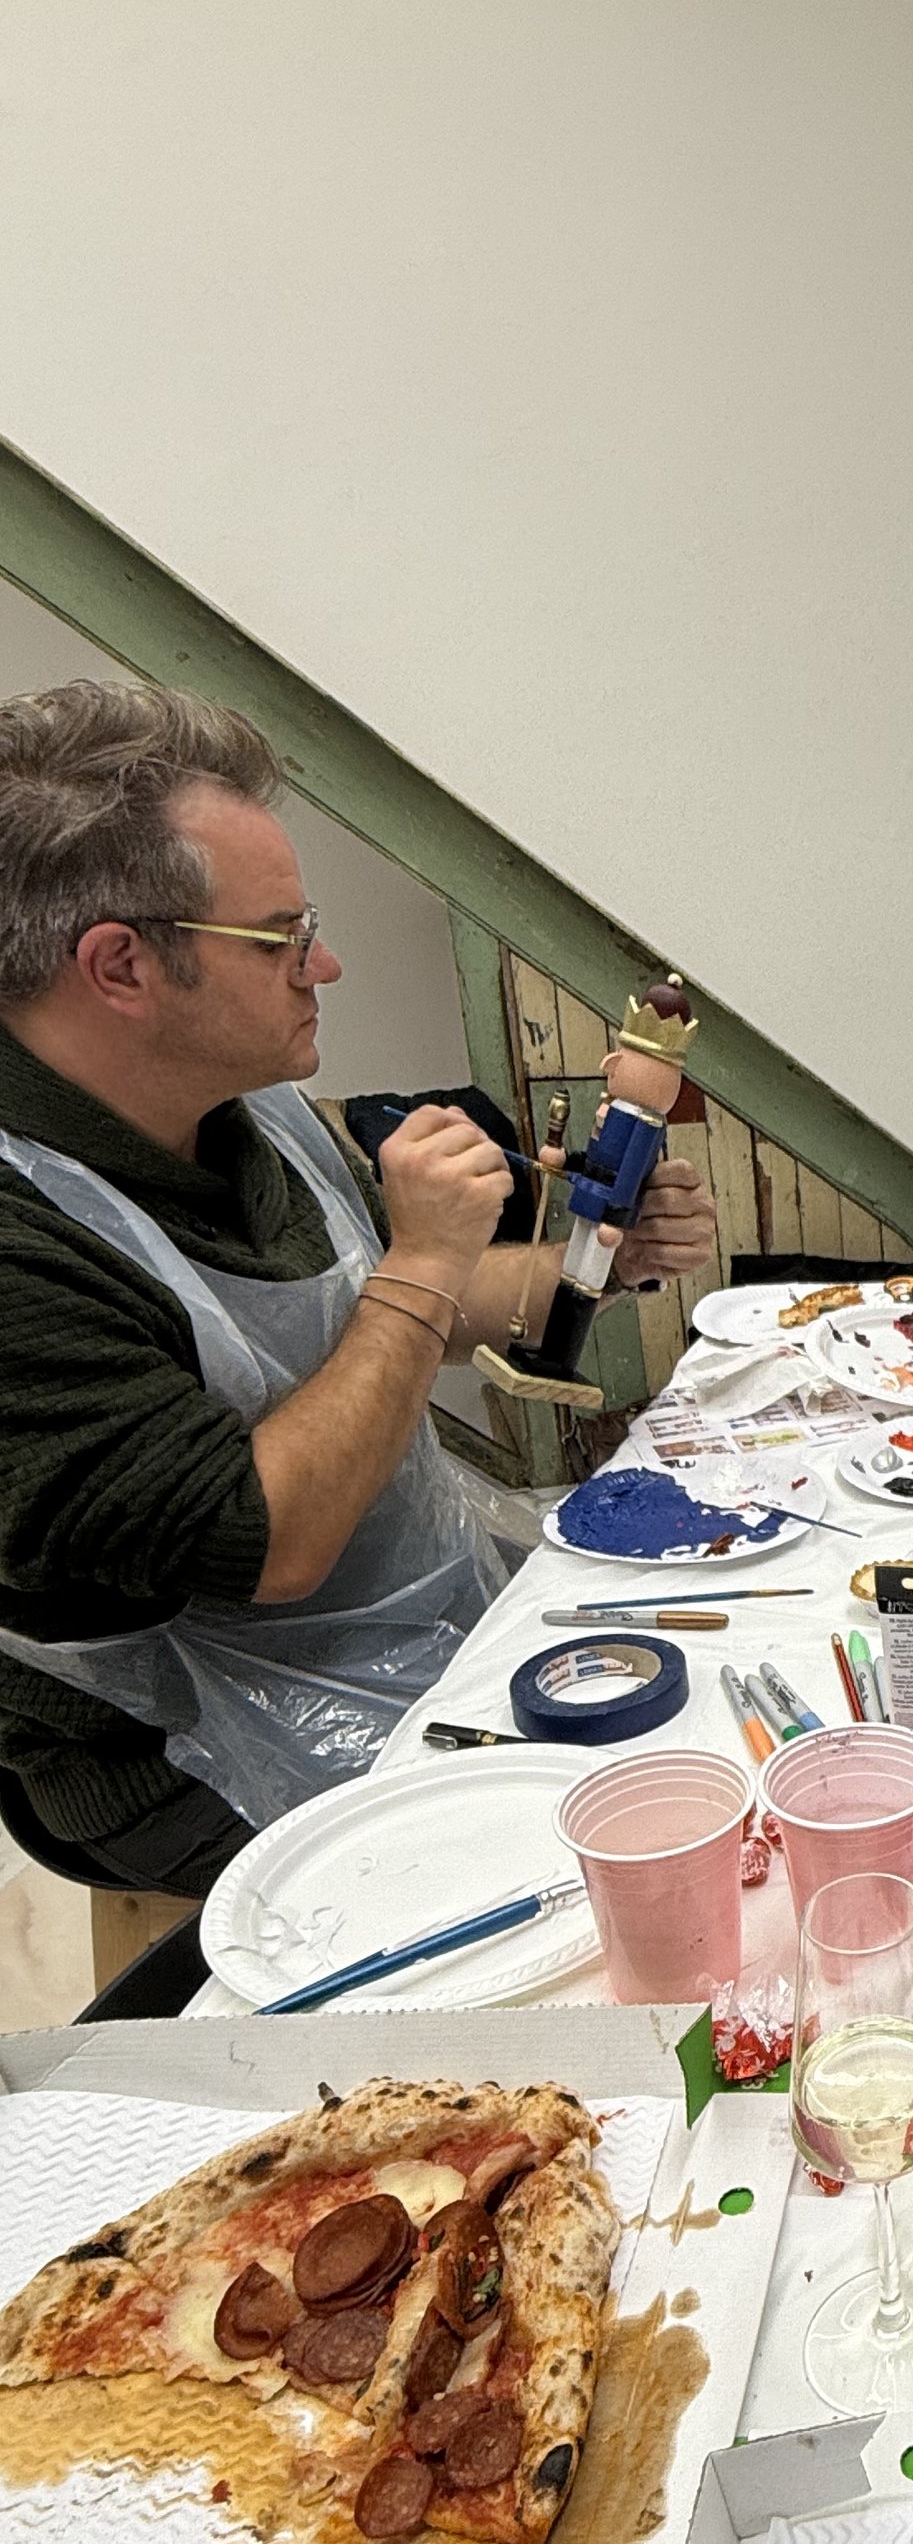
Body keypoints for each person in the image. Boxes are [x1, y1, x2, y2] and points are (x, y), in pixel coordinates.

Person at [0, 680, 718, 1897]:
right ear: (120, 964)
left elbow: (365, 1319)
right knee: (610, 1872)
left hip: (394, 1617)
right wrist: (425, 1255)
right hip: (193, 1747)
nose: (322, 963)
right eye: (280, 938)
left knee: (695, 1731)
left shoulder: (253, 1111)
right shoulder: (25, 1248)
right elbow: (267, 1539)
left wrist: (585, 1267)